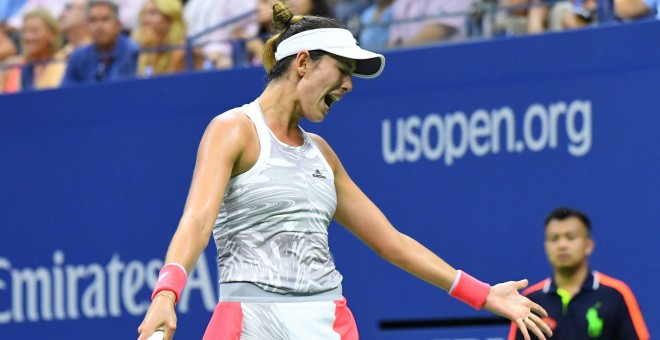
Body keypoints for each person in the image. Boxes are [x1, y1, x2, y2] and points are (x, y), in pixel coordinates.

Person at [137, 2, 553, 339]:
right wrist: (166, 293)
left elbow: (391, 242)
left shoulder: (322, 153)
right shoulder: (233, 131)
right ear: (303, 62)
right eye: (342, 71)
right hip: (249, 321)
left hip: (328, 322)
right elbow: (196, 220)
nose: (349, 86)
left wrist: (482, 294)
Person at [508, 207, 650, 339]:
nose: (562, 245)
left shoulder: (616, 294)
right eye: (554, 239)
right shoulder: (530, 300)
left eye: (570, 237)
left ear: (588, 245)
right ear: (546, 246)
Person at [61, 0, 139, 86]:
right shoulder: (78, 57)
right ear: (86, 26)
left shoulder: (131, 52)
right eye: (93, 20)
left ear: (118, 25)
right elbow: (65, 92)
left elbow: (120, 89)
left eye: (105, 19)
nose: (99, 26)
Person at [0, 8, 64, 93]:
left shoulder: (62, 64)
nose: (28, 37)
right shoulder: (13, 69)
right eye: (25, 31)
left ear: (52, 35)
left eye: (34, 31)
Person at [132, 0, 186, 77]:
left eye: (152, 13)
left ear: (170, 20)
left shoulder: (182, 51)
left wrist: (153, 53)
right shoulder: (145, 51)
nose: (145, 20)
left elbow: (166, 85)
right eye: (144, 13)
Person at [387, 0, 474, 48]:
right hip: (408, 66)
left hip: (445, 64)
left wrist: (400, 55)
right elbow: (394, 41)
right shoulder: (400, 2)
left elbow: (438, 32)